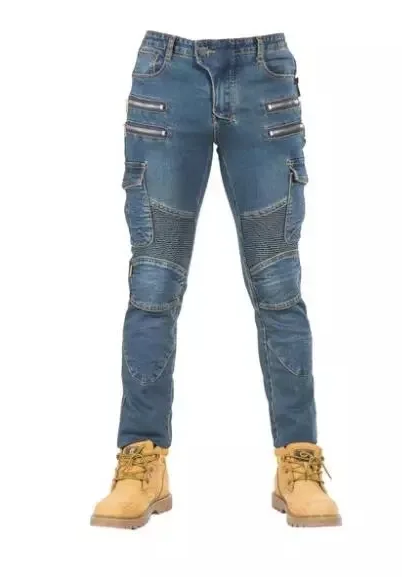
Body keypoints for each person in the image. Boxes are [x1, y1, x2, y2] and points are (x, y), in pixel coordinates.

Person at [91, 31, 341, 529]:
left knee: (278, 287)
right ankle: (141, 461)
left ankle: (298, 462)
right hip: (165, 76)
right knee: (153, 287)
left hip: (264, 76)